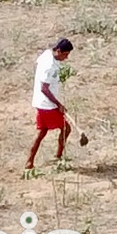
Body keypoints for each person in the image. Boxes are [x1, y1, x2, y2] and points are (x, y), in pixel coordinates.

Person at [26, 36, 75, 169]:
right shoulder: (49, 67)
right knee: (66, 128)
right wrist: (58, 104)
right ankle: (59, 157)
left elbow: (36, 64)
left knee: (42, 132)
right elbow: (44, 88)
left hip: (39, 102)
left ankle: (29, 161)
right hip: (47, 105)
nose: (66, 58)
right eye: (65, 54)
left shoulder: (47, 54)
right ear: (58, 51)